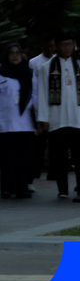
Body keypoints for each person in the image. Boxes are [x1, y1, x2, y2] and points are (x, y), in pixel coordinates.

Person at [36, 32, 80, 203]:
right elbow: (41, 94)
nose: (66, 48)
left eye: (69, 44)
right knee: (59, 157)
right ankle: (62, 189)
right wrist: (43, 118)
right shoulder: (46, 68)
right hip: (57, 119)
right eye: (63, 45)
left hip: (79, 118)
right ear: (56, 46)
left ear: (74, 45)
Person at [0, 43, 37, 199]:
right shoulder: (1, 73)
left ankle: (22, 188)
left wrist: (40, 119)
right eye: (11, 53)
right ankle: (7, 188)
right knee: (7, 158)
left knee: (24, 158)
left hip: (25, 123)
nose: (15, 56)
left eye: (17, 53)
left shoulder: (29, 73)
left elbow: (35, 96)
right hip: (5, 123)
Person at [28, 34, 56, 191]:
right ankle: (35, 172)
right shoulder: (34, 63)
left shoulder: (58, 60)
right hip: (40, 104)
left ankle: (54, 171)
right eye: (47, 46)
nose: (50, 49)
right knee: (39, 144)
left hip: (55, 104)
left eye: (52, 46)